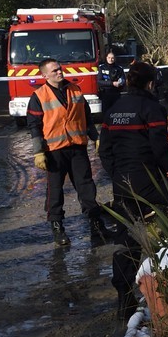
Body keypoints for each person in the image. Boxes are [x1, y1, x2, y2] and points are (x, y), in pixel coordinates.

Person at [100, 61, 168, 313]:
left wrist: (117, 174)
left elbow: (104, 151)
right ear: (151, 83)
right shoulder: (152, 109)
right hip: (149, 182)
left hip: (122, 185)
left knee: (127, 238)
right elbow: (161, 150)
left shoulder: (113, 109)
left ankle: (124, 302)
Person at [27, 57, 106, 248]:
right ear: (44, 75)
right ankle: (57, 228)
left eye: (60, 69)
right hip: (54, 151)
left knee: (86, 187)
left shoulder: (75, 90)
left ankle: (97, 227)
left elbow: (87, 117)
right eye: (54, 71)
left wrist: (96, 137)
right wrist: (38, 152)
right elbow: (34, 126)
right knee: (55, 191)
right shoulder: (39, 96)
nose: (59, 72)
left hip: (77, 148)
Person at [98, 48, 126, 114]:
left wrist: (120, 82)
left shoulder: (119, 68)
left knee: (116, 112)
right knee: (106, 113)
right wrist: (112, 83)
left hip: (116, 94)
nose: (110, 59)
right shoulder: (102, 68)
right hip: (105, 94)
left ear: (115, 58)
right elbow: (99, 81)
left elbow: (123, 80)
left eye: (112, 58)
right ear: (106, 58)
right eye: (109, 57)